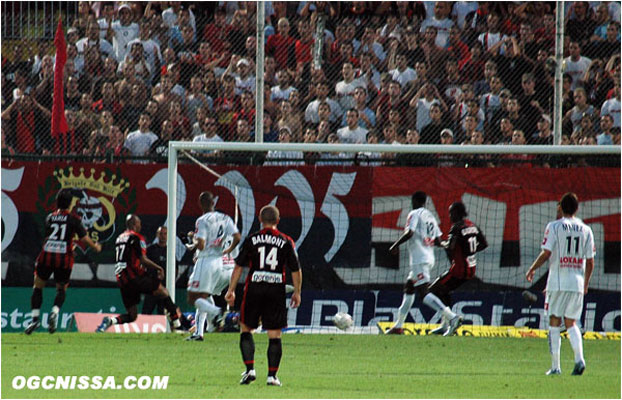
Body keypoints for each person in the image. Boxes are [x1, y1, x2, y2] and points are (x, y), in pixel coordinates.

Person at [225, 205, 302, 386]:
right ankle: (272, 376)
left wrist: (231, 290)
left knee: (246, 328)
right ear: (278, 220)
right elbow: (296, 269)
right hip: (276, 289)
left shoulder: (252, 239)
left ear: (260, 220)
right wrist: (297, 292)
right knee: (274, 334)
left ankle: (250, 369)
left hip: (255, 288)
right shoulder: (286, 241)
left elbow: (238, 267)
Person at [526, 193, 594, 376]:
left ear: (561, 208)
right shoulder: (586, 230)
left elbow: (546, 253)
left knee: (554, 321)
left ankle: (556, 367)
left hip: (558, 281)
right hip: (577, 283)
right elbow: (591, 262)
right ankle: (579, 359)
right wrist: (585, 284)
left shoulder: (554, 227)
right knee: (571, 322)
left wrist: (532, 268)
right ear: (577, 208)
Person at [25, 189, 102, 334]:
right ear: (70, 203)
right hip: (64, 259)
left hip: (46, 255)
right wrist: (95, 247)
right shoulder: (74, 219)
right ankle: (54, 312)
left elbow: (52, 237)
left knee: (38, 285)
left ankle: (34, 319)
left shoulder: (49, 218)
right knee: (61, 288)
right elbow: (84, 238)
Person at [385, 191, 461, 335]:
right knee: (409, 288)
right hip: (428, 258)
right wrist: (449, 246)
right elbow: (439, 241)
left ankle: (452, 317)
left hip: (420, 259)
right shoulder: (431, 217)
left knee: (423, 293)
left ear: (414, 201)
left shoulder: (414, 214)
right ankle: (399, 326)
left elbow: (410, 232)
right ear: (425, 202)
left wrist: (395, 245)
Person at [96, 215, 182, 332]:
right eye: (139, 223)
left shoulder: (119, 238)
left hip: (122, 279)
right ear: (134, 224)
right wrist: (159, 268)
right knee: (164, 292)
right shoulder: (136, 237)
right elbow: (143, 260)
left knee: (132, 316)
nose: (140, 226)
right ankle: (177, 324)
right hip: (135, 277)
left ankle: (110, 321)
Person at [185, 191, 241, 341]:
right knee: (204, 295)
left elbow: (202, 245)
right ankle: (204, 329)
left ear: (200, 203)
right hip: (223, 265)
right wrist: (228, 250)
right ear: (214, 203)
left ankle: (216, 313)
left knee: (194, 295)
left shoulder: (202, 220)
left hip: (207, 261)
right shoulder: (225, 218)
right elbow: (237, 237)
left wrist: (193, 243)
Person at [428, 202, 488, 335]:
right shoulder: (472, 226)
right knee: (444, 291)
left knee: (431, 291)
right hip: (471, 269)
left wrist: (438, 243)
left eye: (451, 213)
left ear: (457, 213)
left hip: (459, 270)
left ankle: (452, 320)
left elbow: (450, 246)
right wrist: (469, 251)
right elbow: (484, 244)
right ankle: (446, 325)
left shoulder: (456, 227)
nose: (450, 216)